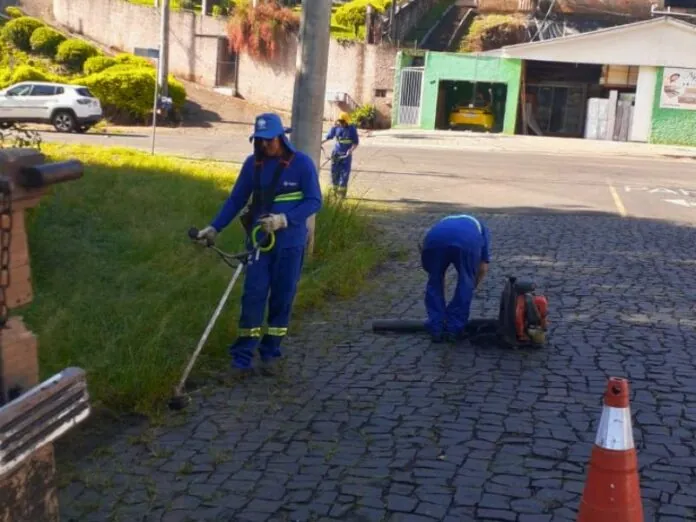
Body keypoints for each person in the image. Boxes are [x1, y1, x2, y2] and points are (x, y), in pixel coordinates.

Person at [196, 113, 322, 376]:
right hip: (258, 244)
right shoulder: (252, 165)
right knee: (253, 296)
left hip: (289, 244)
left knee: (282, 298)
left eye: (268, 140)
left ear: (280, 137)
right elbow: (235, 200)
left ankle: (270, 353)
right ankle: (241, 359)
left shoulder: (302, 164)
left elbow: (314, 201)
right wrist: (214, 227)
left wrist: (284, 220)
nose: (264, 146)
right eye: (259, 141)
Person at [420, 214, 491, 343]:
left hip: (434, 241)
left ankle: (436, 328)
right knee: (465, 282)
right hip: (466, 242)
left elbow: (426, 260)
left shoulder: (439, 225)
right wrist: (471, 287)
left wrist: (434, 274)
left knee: (434, 281)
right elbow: (483, 268)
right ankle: (454, 329)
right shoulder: (480, 228)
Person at [322, 111, 359, 198]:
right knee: (334, 173)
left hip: (346, 156)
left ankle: (342, 195)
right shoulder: (336, 127)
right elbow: (329, 137)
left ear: (346, 121)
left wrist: (350, 150)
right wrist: (320, 142)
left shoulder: (352, 129)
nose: (341, 123)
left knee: (344, 174)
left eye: (343, 122)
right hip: (336, 154)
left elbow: (355, 143)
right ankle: (333, 193)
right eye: (340, 121)